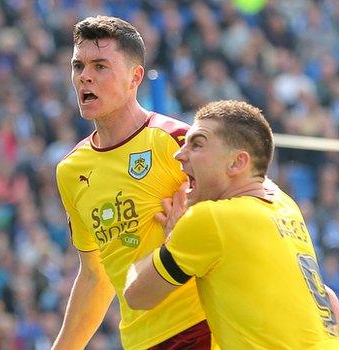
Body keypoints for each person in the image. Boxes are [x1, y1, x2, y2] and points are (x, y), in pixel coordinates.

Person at [123, 100, 339, 348]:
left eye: (197, 145)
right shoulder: (286, 205)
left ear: (237, 163)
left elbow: (136, 295)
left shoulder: (210, 219)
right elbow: (330, 299)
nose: (179, 154)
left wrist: (172, 236)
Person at [53, 16, 210, 349]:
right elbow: (95, 275)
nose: (85, 77)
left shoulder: (176, 141)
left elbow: (247, 213)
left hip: (203, 326)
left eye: (100, 66)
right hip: (140, 340)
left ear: (134, 77)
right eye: (78, 66)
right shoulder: (71, 170)